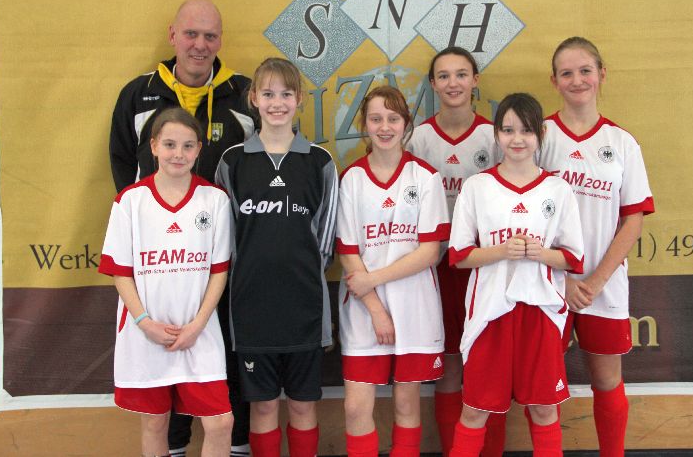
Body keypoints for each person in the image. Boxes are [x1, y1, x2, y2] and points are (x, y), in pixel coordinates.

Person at [108, 0, 253, 456]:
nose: (199, 45)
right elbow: (121, 163)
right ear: (173, 35)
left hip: (218, 264)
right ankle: (174, 447)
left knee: (221, 378)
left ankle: (237, 445)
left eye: (210, 36)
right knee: (158, 409)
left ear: (220, 40)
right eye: (191, 34)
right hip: (157, 278)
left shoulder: (244, 95)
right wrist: (153, 218)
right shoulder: (138, 94)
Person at [448, 93, 584, 457]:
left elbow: (573, 257)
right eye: (508, 130)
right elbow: (459, 256)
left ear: (541, 134)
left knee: (544, 409)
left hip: (540, 312)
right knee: (475, 410)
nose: (517, 139)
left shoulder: (558, 189)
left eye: (526, 130)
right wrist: (501, 251)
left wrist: (541, 254)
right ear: (496, 134)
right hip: (490, 312)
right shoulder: (477, 186)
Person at [215, 57, 338, 457]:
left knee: (302, 405)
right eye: (268, 94)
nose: (277, 103)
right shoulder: (233, 161)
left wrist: (296, 274)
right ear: (253, 98)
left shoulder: (320, 162)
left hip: (305, 307)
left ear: (300, 99)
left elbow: (325, 242)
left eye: (286, 94)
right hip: (252, 309)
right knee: (264, 406)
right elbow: (225, 239)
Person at [539, 37, 655, 457]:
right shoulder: (540, 136)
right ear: (554, 80)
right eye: (567, 73)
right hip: (547, 282)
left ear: (602, 74)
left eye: (585, 70)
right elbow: (523, 213)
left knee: (607, 380)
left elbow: (633, 219)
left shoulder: (621, 142)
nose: (577, 80)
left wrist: (595, 281)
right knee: (543, 385)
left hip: (602, 286)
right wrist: (564, 280)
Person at [99, 108, 234, 456]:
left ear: (199, 149)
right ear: (154, 146)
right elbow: (120, 272)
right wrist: (145, 323)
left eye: (188, 146)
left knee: (221, 422)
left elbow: (218, 271)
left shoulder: (214, 200)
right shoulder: (130, 201)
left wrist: (197, 325)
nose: (179, 154)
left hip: (198, 332)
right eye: (170, 144)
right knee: (155, 422)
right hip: (147, 333)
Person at [337, 85, 450, 457]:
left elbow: (429, 252)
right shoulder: (351, 179)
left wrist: (374, 279)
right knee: (356, 407)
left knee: (406, 403)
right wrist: (376, 309)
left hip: (413, 305)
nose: (384, 127)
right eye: (375, 119)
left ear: (406, 124)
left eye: (392, 118)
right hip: (364, 308)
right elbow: (349, 253)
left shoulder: (425, 177)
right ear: (364, 124)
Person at [405, 47, 502, 456]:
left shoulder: (494, 137)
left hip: (485, 266)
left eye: (461, 74)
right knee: (448, 368)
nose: (453, 83)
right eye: (443, 76)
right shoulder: (418, 139)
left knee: (489, 369)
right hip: (436, 265)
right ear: (432, 84)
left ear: (475, 80)